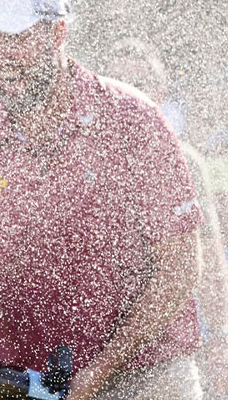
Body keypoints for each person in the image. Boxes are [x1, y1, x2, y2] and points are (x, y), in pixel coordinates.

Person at [0, 0, 204, 400]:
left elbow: (181, 267)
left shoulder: (133, 120)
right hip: (32, 382)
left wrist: (103, 367)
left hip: (148, 375)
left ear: (57, 33)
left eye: (14, 38)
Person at [103, 38, 228, 397]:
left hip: (166, 351)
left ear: (159, 92)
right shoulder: (82, 160)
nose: (128, 92)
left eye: (139, 84)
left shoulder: (184, 160)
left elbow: (209, 263)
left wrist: (220, 340)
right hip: (95, 350)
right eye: (118, 81)